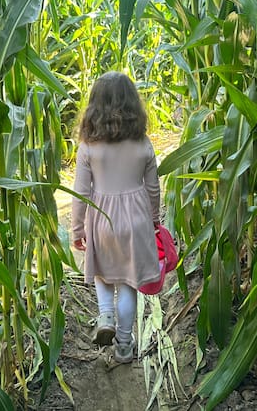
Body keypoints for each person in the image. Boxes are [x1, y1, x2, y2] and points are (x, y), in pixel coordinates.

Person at [71, 71, 161, 364]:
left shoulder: (88, 146)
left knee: (102, 272)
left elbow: (81, 192)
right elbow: (153, 188)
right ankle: (124, 346)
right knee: (128, 283)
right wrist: (154, 220)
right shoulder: (143, 144)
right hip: (136, 220)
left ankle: (105, 314)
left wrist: (77, 229)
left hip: (102, 219)